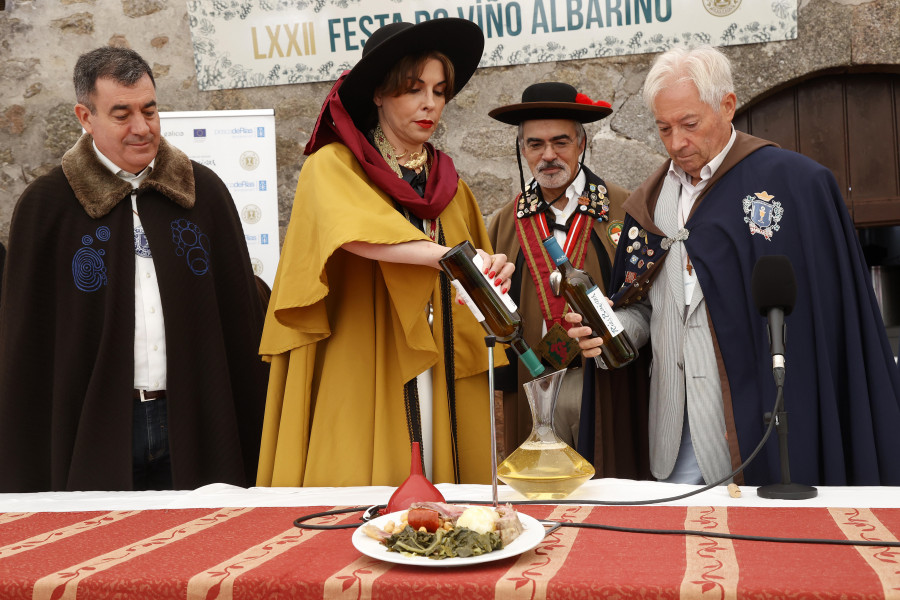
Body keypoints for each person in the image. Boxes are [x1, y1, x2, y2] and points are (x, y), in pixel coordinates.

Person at [568, 45, 900, 486]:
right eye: (663, 128)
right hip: (673, 434)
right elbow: (646, 310)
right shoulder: (648, 203)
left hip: (771, 426)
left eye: (690, 124)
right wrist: (607, 329)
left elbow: (833, 322)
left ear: (728, 106)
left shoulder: (796, 186)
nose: (676, 143)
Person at [256, 19, 512, 487]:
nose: (429, 103)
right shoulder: (332, 166)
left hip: (441, 364)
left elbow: (473, 274)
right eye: (412, 89)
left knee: (448, 499)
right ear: (378, 93)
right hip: (365, 363)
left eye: (438, 90)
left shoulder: (451, 186)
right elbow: (353, 233)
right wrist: (451, 259)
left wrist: (493, 271)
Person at [0, 46, 268, 492]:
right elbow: (26, 347)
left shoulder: (205, 195)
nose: (142, 128)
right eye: (121, 114)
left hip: (193, 420)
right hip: (95, 429)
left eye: (150, 109)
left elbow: (239, 325)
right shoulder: (47, 208)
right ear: (85, 116)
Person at [486, 82, 646, 476]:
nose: (549, 155)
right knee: (540, 493)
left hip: (604, 381)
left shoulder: (626, 211)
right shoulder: (501, 224)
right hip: (533, 383)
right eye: (535, 144)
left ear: (581, 143)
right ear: (523, 149)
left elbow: (647, 302)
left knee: (609, 486)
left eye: (560, 142)